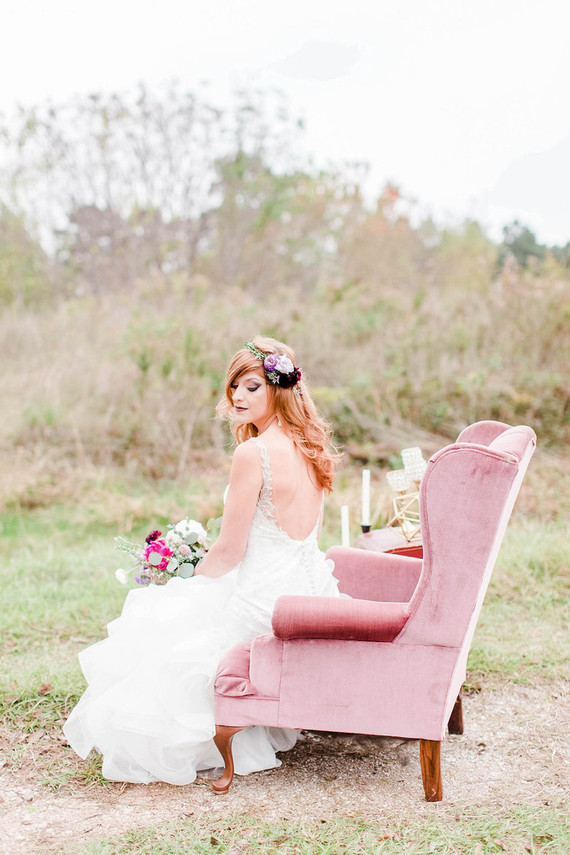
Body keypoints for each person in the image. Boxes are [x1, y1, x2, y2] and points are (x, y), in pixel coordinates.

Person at [63, 336, 341, 785]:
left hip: (263, 602)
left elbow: (230, 552)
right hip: (311, 591)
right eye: (234, 386)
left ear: (281, 387)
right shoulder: (311, 449)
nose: (237, 396)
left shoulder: (253, 453)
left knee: (160, 617)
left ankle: (176, 740)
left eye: (252, 386)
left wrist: (183, 580)